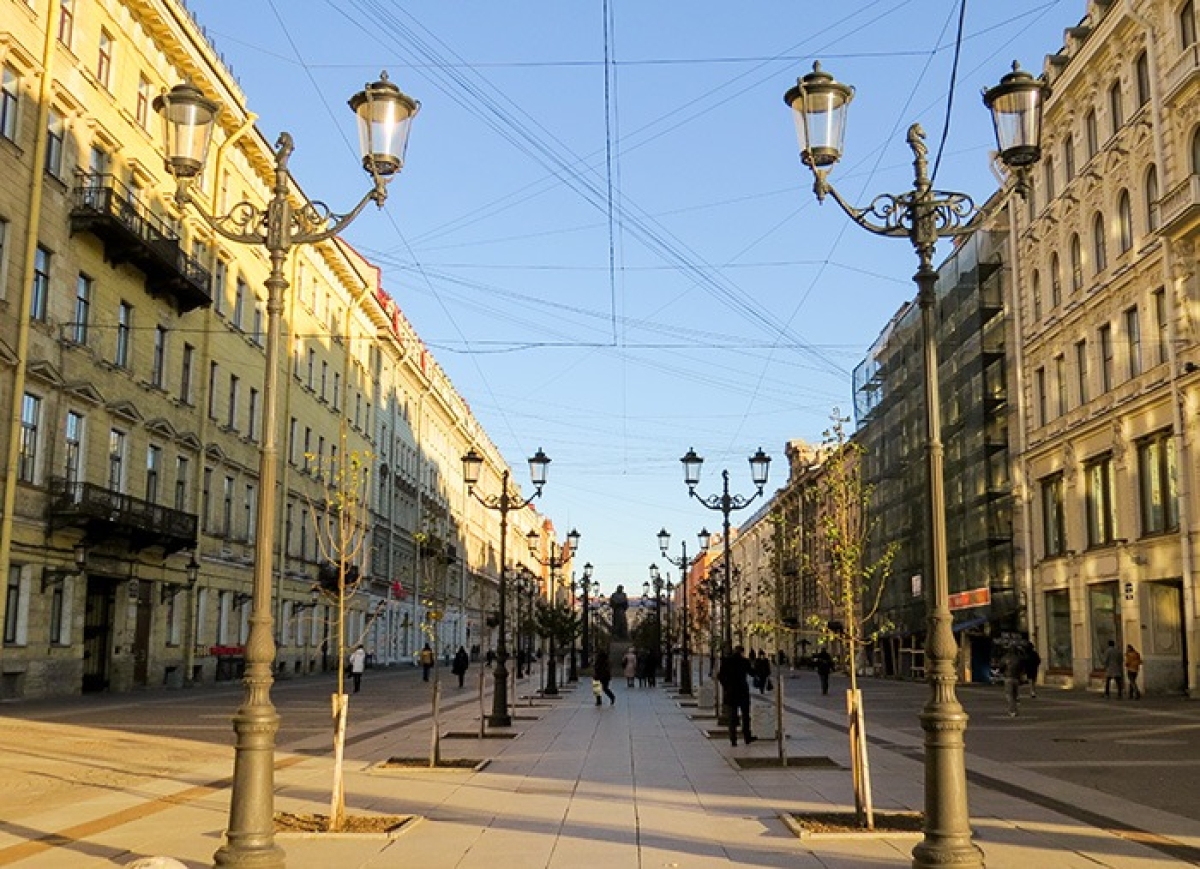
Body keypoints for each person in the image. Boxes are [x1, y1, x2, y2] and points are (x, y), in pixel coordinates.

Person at [718, 644, 754, 746]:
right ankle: (747, 736)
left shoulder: (726, 661)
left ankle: (733, 739)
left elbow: (720, 676)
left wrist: (726, 687)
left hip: (731, 692)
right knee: (745, 715)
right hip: (742, 691)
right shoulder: (744, 661)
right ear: (742, 652)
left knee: (732, 717)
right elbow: (752, 673)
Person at [1001, 645, 1023, 717]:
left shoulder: (1005, 658)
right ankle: (1015, 709)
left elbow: (1001, 666)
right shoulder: (1018, 658)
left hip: (1008, 677)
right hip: (1016, 678)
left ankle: (1012, 710)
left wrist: (1003, 672)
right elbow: (1021, 668)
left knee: (1009, 695)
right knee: (1015, 695)